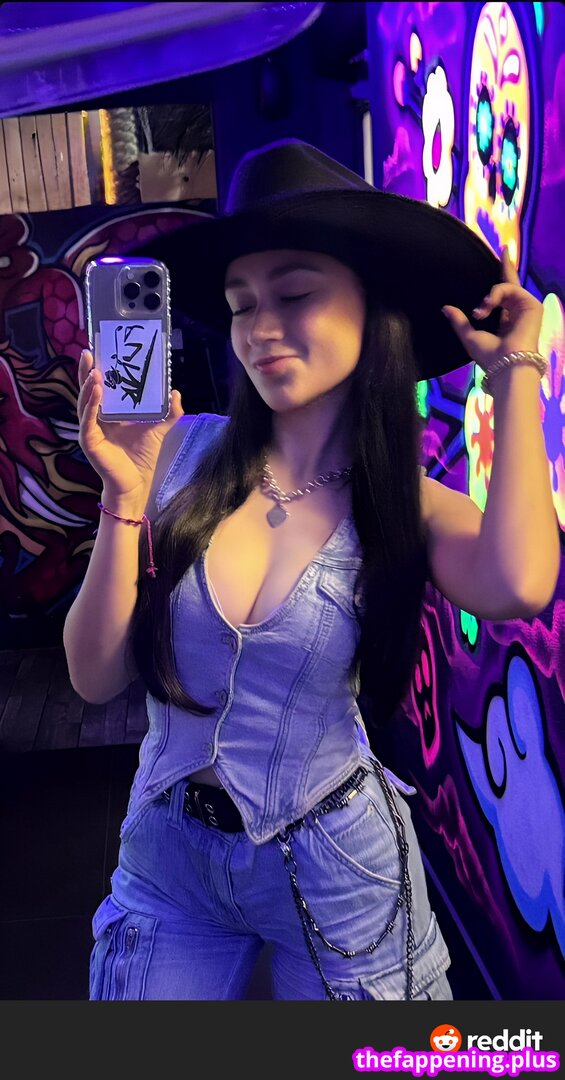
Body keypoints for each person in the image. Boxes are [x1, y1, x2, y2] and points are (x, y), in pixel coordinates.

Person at [64, 139, 557, 1001]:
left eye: (293, 295)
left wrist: (514, 375)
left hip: (337, 866)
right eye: (240, 304)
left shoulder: (405, 503)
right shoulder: (175, 451)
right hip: (169, 858)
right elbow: (95, 675)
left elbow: (519, 583)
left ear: (370, 305)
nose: (259, 329)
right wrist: (123, 494)